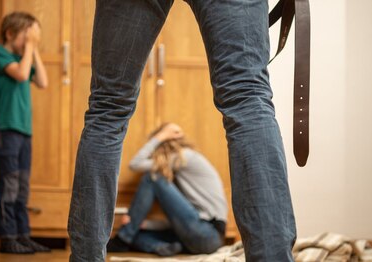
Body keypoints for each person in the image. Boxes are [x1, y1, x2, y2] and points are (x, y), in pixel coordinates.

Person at [68, 1, 297, 261]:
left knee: (107, 110)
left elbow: (140, 165)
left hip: (204, 229)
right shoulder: (186, 159)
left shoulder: (186, 158)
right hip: (201, 228)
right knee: (248, 99)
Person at [107, 123, 228, 256]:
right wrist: (145, 224)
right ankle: (162, 247)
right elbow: (179, 222)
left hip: (208, 233)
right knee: (138, 234)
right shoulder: (181, 175)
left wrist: (160, 136)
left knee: (152, 176)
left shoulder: (185, 156)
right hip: (203, 240)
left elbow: (135, 164)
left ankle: (122, 238)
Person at [0, 12, 50, 254]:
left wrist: (32, 50)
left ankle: (23, 235)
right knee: (10, 184)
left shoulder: (23, 57)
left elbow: (43, 81)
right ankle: (8, 237)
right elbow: (22, 74)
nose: (31, 40)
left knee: (22, 186)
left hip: (25, 131)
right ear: (10, 34)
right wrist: (30, 48)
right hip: (7, 129)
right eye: (27, 35)